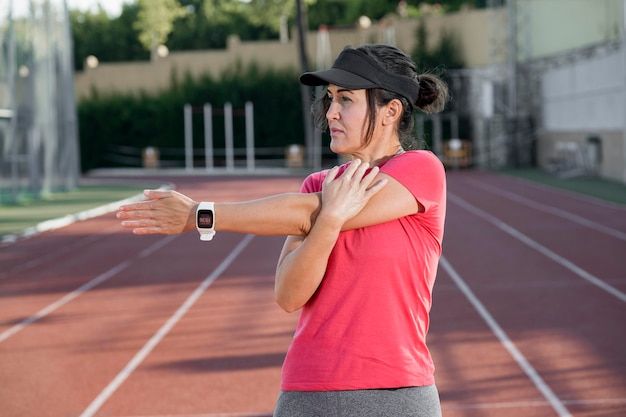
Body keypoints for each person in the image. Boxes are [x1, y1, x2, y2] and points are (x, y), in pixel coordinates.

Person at [117, 44, 449, 416]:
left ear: (391, 110)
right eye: (329, 98)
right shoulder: (316, 185)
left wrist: (200, 213)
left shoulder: (420, 170)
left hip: (397, 394)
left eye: (346, 99)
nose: (331, 112)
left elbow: (303, 212)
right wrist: (329, 222)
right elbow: (289, 295)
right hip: (308, 391)